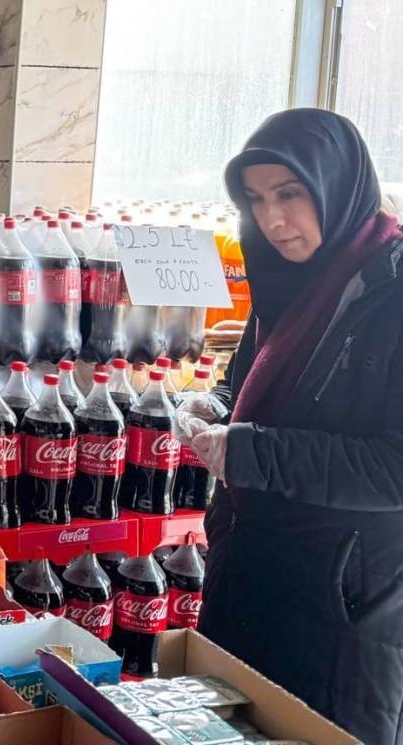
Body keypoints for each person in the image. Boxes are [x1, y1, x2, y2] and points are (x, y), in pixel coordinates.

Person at [181, 109, 403, 744]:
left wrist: (249, 453)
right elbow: (252, 382)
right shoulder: (289, 279)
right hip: (251, 570)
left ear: (335, 185)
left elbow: (395, 467)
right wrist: (217, 407)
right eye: (255, 200)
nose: (273, 219)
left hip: (343, 604)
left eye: (289, 194)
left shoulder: (392, 292)